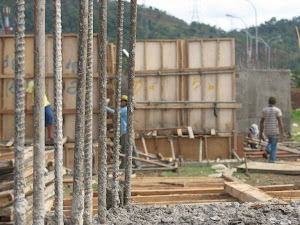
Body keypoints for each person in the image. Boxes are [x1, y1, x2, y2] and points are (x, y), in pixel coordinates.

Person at [106, 95, 141, 169]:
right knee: (130, 149)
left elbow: (115, 112)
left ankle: (125, 165)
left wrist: (105, 107)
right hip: (127, 132)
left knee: (127, 149)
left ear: (125, 102)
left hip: (127, 132)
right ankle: (135, 164)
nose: (120, 103)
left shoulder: (126, 109)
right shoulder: (125, 109)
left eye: (121, 101)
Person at [259, 96, 285, 163]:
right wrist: (282, 132)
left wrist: (260, 132)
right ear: (275, 103)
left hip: (267, 130)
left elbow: (261, 122)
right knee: (274, 146)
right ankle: (271, 160)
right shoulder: (277, 110)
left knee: (270, 142)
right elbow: (280, 122)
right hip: (274, 131)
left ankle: (268, 149)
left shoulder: (264, 110)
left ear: (269, 102)